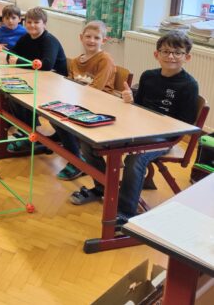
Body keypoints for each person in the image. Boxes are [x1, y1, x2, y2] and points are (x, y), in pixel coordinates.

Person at [69, 31, 199, 224]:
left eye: (177, 52)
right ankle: (102, 187)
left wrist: (155, 125)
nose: (171, 56)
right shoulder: (148, 76)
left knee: (135, 159)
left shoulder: (189, 85)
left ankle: (125, 212)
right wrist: (130, 99)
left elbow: (185, 123)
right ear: (156, 54)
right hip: (136, 128)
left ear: (187, 57)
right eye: (165, 51)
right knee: (89, 142)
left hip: (165, 137)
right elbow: (138, 106)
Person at [0, 7, 67, 158]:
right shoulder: (26, 38)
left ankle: (29, 132)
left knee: (20, 96)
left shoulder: (49, 41)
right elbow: (13, 53)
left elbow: (46, 65)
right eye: (29, 22)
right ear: (25, 23)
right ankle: (27, 131)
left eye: (36, 22)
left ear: (44, 24)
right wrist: (12, 57)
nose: (32, 25)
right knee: (11, 94)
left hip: (55, 84)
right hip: (36, 78)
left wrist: (19, 61)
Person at [54, 20, 116, 180]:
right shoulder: (76, 61)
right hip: (81, 101)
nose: (91, 41)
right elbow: (69, 83)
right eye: (88, 36)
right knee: (54, 116)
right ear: (81, 38)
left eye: (96, 38)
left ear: (104, 40)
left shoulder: (105, 60)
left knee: (63, 119)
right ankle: (76, 157)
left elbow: (96, 89)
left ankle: (77, 161)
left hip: (100, 105)